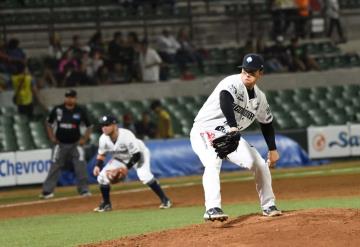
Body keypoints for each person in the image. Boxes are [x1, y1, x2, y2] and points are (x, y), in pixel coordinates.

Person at [190, 53, 282, 221]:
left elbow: (267, 123)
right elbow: (225, 98)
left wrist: (273, 149)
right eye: (245, 70)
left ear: (260, 72)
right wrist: (233, 126)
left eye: (252, 71)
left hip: (230, 133)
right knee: (213, 160)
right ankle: (212, 208)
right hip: (205, 129)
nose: (247, 74)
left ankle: (269, 205)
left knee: (259, 163)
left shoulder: (260, 98)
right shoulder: (232, 82)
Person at [92, 115, 172, 212]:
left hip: (139, 153)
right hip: (120, 158)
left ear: (114, 125)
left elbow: (136, 155)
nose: (104, 127)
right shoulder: (103, 139)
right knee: (101, 177)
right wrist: (97, 166)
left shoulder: (126, 135)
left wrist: (126, 168)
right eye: (102, 125)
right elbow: (101, 154)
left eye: (107, 125)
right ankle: (106, 204)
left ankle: (165, 200)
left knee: (144, 175)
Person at [40, 89, 93, 199]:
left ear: (75, 98)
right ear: (65, 98)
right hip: (60, 143)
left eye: (72, 97)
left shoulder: (80, 110)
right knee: (54, 166)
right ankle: (47, 191)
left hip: (76, 144)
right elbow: (49, 123)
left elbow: (90, 126)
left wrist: (84, 138)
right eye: (68, 97)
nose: (70, 99)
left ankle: (84, 189)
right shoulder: (58, 109)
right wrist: (51, 136)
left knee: (80, 166)